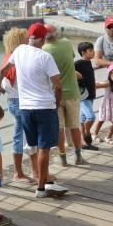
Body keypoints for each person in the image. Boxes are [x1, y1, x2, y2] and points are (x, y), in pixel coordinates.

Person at [0, 23, 67, 199]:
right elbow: (58, 85)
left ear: (29, 37)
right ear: (43, 39)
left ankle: (43, 180)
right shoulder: (45, 56)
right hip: (44, 107)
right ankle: (41, 188)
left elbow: (4, 69)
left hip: (25, 107)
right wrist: (56, 103)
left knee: (33, 145)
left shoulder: (19, 50)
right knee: (45, 148)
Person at [43, 25, 90, 166]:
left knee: (59, 128)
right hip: (72, 92)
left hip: (54, 94)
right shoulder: (66, 43)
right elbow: (71, 58)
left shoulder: (43, 50)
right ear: (56, 33)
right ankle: (78, 156)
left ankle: (63, 158)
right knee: (74, 126)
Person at [0, 27, 32, 182]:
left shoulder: (8, 58)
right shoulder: (18, 60)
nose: (29, 41)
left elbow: (4, 82)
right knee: (23, 137)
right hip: (21, 101)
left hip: (12, 101)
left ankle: (21, 172)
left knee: (21, 136)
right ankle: (19, 173)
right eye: (26, 39)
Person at [91, 64, 113, 143]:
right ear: (109, 75)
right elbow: (96, 85)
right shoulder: (108, 83)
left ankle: (108, 137)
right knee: (101, 120)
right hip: (107, 105)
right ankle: (94, 134)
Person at [74, 41, 98, 148]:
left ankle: (83, 140)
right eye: (91, 50)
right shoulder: (78, 64)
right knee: (91, 117)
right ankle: (88, 132)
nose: (93, 52)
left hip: (91, 94)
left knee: (82, 118)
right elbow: (71, 73)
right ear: (83, 52)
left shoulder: (89, 63)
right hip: (84, 95)